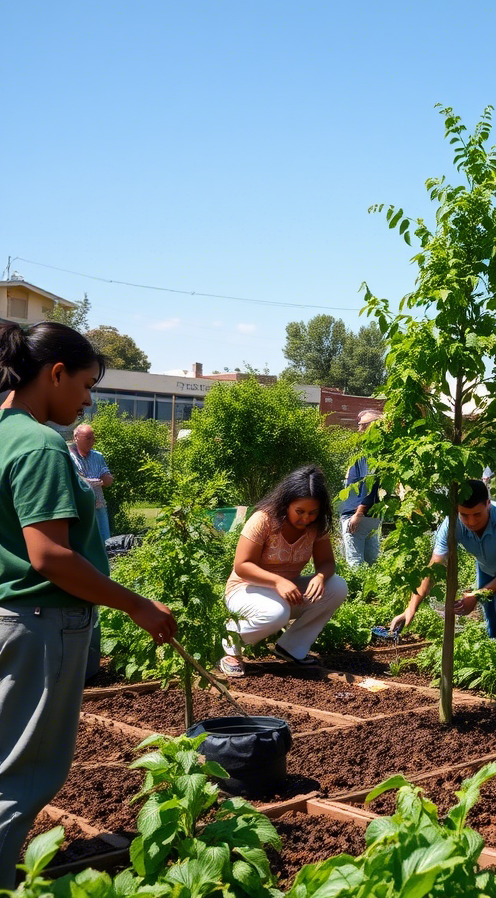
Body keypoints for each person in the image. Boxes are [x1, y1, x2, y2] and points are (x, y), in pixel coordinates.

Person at [0, 322, 177, 888]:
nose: (86, 400)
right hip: (41, 626)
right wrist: (138, 605)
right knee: (23, 778)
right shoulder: (39, 443)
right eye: (85, 384)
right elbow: (50, 556)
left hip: (9, 619)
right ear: (55, 373)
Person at [220, 465, 347, 678]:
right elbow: (242, 566)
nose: (306, 518)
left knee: (337, 586)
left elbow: (326, 563)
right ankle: (230, 643)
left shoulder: (316, 526)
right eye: (300, 511)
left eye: (313, 513)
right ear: (286, 503)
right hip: (244, 590)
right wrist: (278, 582)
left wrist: (320, 576)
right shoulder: (264, 519)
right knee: (276, 612)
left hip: (284, 592)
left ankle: (291, 648)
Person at [389, 479, 496, 642]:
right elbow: (434, 567)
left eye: (477, 514)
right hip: (487, 563)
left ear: (488, 504)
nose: (471, 522)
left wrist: (475, 595)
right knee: (488, 606)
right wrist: (411, 607)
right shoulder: (452, 525)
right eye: (465, 515)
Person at [339, 409, 383, 567]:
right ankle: (374, 590)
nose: (359, 430)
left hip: (357, 514)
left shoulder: (369, 454)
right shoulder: (380, 453)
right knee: (372, 560)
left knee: (354, 561)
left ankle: (353, 590)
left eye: (363, 426)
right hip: (373, 515)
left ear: (374, 426)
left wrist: (358, 514)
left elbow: (369, 485)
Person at [68, 423, 114, 544]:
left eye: (93, 438)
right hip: (80, 508)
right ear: (76, 437)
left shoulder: (98, 456)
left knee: (106, 542)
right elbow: (76, 480)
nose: (92, 441)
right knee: (83, 543)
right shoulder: (69, 457)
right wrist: (96, 481)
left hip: (99, 506)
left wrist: (105, 479)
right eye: (88, 438)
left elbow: (107, 476)